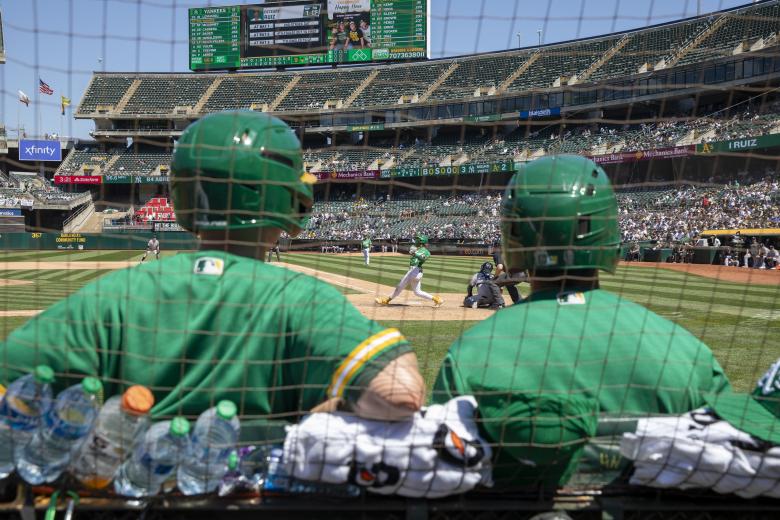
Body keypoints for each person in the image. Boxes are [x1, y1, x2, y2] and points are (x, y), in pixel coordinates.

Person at [0, 111, 425, 427]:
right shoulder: (304, 300)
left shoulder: (117, 294)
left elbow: (10, 375)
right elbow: (401, 396)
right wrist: (322, 415)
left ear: (183, 200)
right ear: (286, 200)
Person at [432, 155, 731, 490]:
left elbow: (441, 475)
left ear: (513, 236)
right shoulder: (687, 353)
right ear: (607, 231)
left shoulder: (473, 354)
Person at [375, 234, 444, 307]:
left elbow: (423, 258)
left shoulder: (426, 251)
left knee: (399, 287)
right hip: (416, 272)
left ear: (421, 242)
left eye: (418, 239)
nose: (416, 240)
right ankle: (437, 299)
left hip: (415, 271)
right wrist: (414, 252)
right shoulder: (417, 249)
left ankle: (386, 300)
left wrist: (414, 253)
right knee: (417, 292)